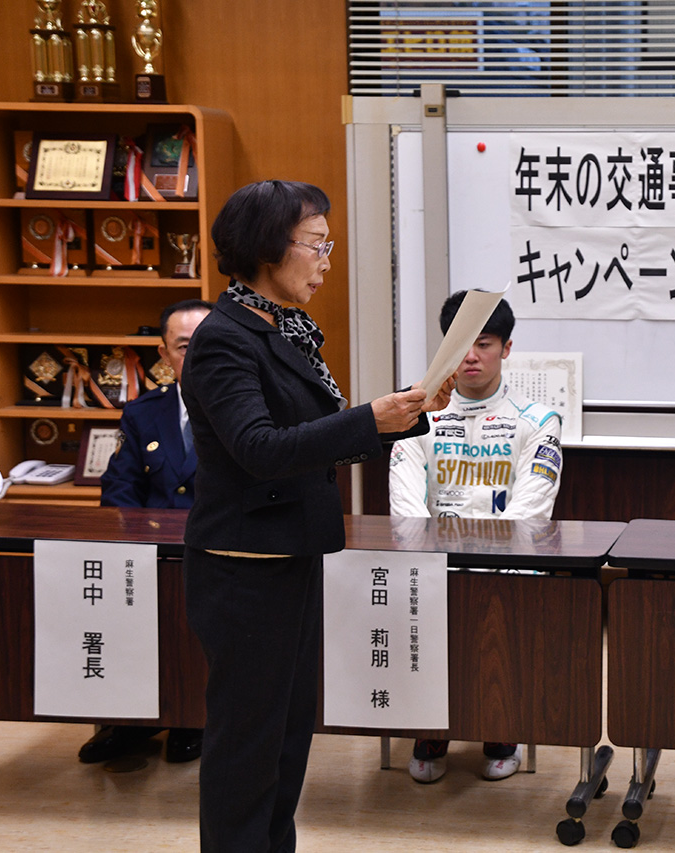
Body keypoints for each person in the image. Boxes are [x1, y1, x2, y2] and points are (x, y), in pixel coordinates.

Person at [180, 179, 452, 853]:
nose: (327, 260)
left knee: (284, 740)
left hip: (290, 557)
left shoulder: (285, 329)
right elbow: (260, 449)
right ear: (268, 247)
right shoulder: (224, 339)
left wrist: (404, 415)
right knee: (247, 748)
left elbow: (316, 438)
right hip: (243, 570)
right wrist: (369, 418)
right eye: (316, 244)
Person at [388, 291, 562, 783]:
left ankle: (501, 728)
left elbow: (532, 508)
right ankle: (430, 731)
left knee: (497, 628)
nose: (470, 356)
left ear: (506, 348)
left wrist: (489, 565)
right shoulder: (415, 414)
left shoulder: (538, 420)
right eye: (461, 343)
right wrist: (431, 562)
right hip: (433, 564)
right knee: (427, 628)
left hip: (506, 567)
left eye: (484, 344)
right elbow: (405, 503)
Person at [77, 298, 213, 766]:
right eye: (184, 346)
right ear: (165, 353)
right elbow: (120, 487)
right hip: (148, 555)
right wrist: (124, 546)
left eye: (208, 343)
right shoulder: (143, 413)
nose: (196, 355)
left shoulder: (247, 411)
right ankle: (132, 721)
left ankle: (191, 716)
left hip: (214, 554)